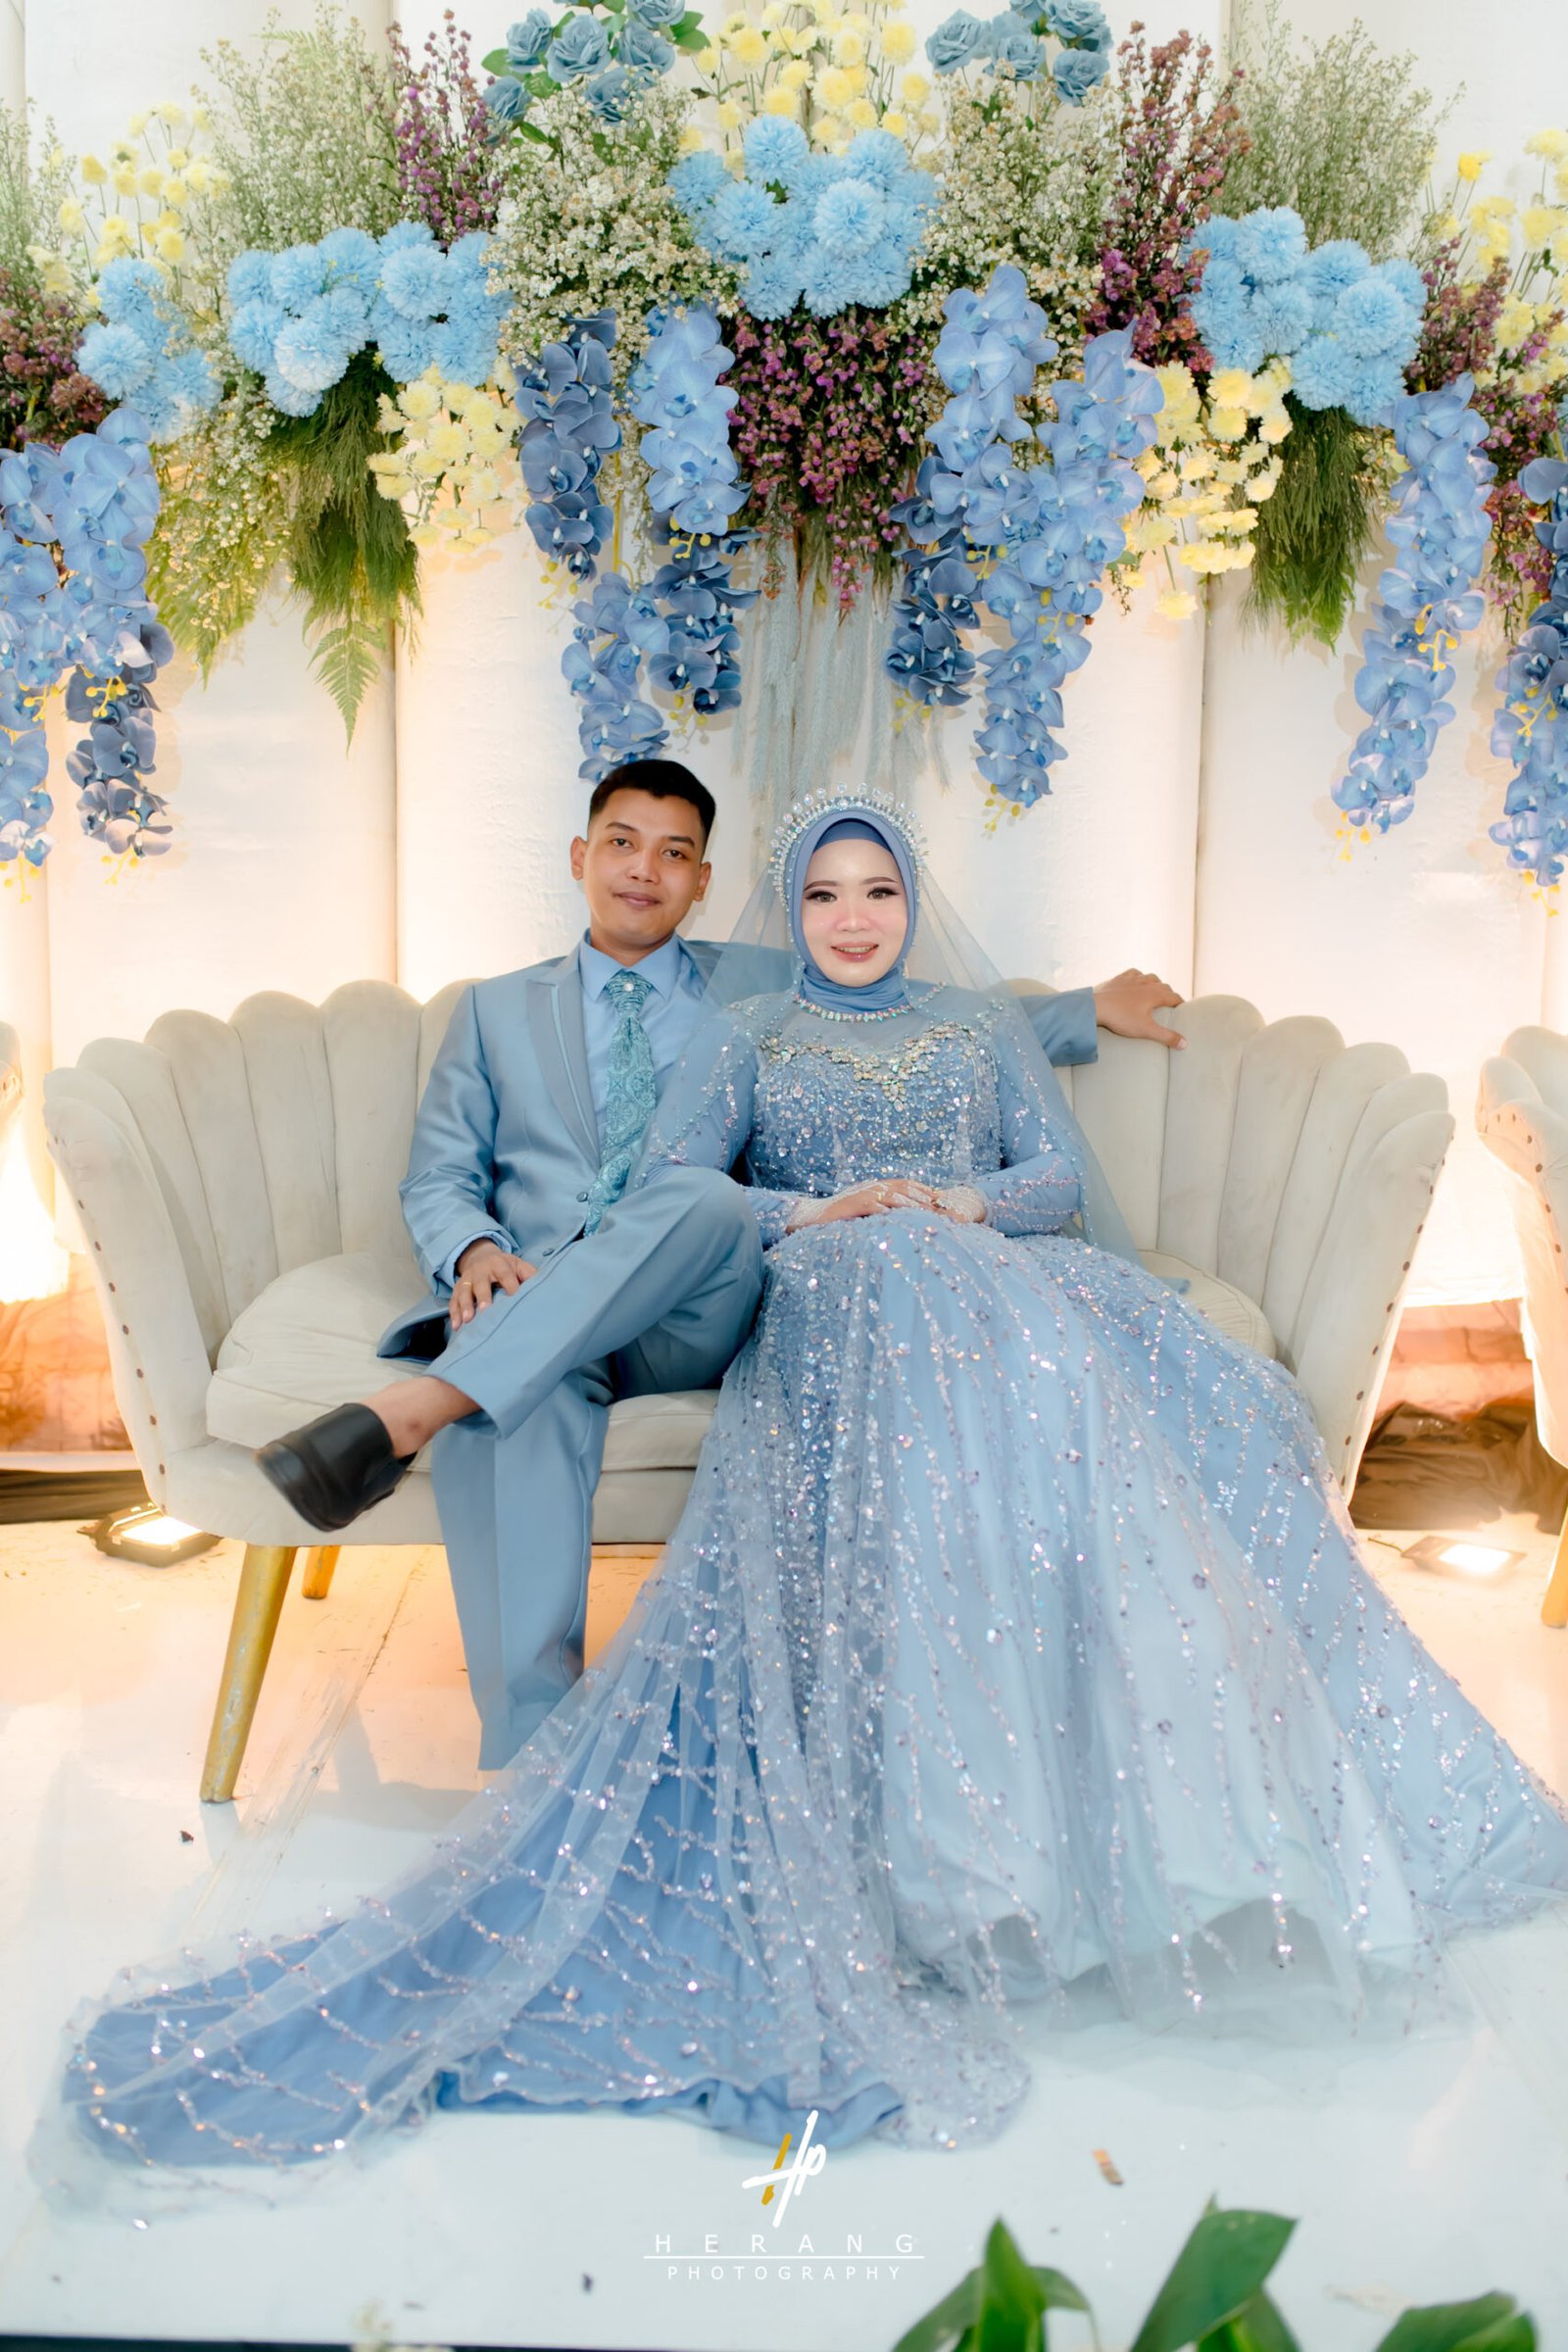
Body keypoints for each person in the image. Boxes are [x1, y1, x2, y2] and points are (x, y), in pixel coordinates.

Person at [60, 790, 1568, 2180]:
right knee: (705, 1242)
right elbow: (555, 1174)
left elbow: (1018, 1129)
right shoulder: (626, 1023)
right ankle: (514, 1653)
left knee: (879, 1290)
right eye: (824, 895)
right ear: (617, 866)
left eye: (879, 891)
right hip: (651, 1289)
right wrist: (739, 1224)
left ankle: (419, 1415)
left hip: (837, 1274)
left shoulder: (889, 1010)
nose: (850, 916)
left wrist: (985, 1144)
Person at [256, 758, 1187, 1769]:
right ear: (579, 856)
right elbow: (438, 1172)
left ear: (704, 882)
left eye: (674, 854)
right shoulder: (492, 1011)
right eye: (622, 844)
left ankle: (414, 1408)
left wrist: (1085, 1007)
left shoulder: (756, 982)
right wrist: (474, 1247)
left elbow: (904, 1009)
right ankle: (532, 1758)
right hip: (539, 1303)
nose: (642, 870)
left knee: (701, 1195)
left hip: (698, 1303)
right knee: (513, 1402)